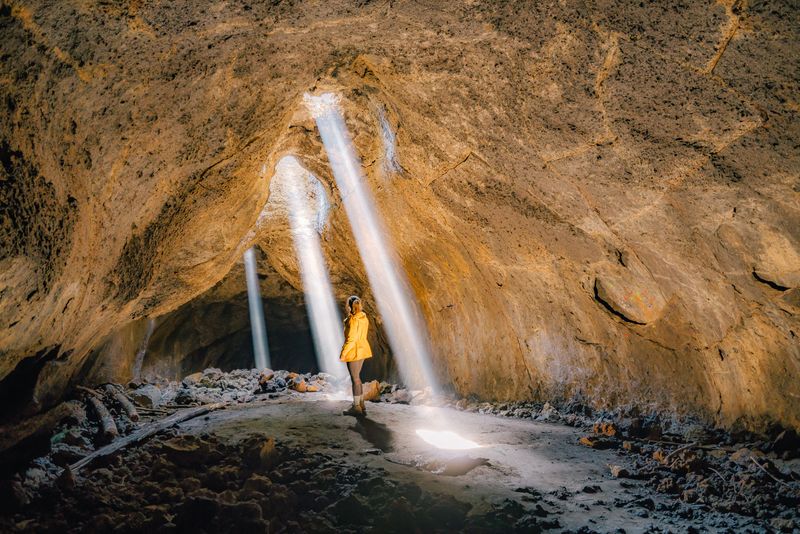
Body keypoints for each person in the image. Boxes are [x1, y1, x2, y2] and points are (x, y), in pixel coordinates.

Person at [340, 295, 372, 417]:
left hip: (354, 350)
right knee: (357, 378)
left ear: (349, 306)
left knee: (355, 379)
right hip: (363, 349)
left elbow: (351, 338)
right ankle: (361, 404)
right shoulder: (363, 317)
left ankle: (356, 407)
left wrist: (344, 353)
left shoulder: (352, 320)